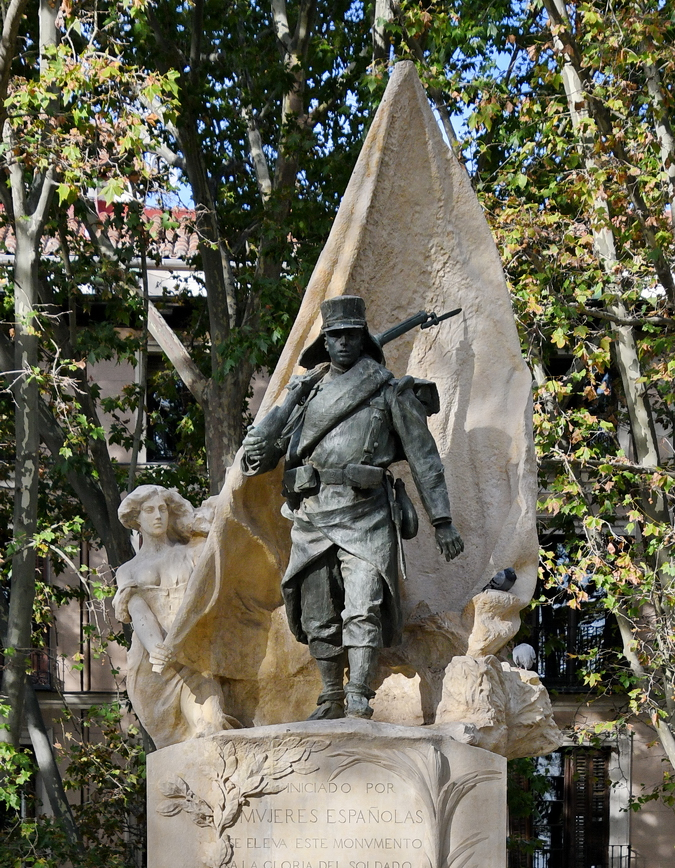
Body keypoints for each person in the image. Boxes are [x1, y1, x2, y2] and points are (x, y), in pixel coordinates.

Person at [242, 295, 464, 719]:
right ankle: (330, 696)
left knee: (362, 606)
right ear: (324, 343)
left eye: (351, 335)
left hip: (367, 514)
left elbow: (424, 457)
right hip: (311, 517)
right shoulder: (305, 397)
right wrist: (287, 400)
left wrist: (442, 521)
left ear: (362, 340)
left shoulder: (388, 390)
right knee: (318, 613)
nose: (343, 343)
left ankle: (360, 693)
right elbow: (255, 460)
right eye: (335, 336)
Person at [113, 485, 239, 748]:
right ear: (137, 519)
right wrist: (157, 649)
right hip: (154, 665)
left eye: (162, 509)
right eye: (149, 510)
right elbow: (136, 609)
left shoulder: (191, 553)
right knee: (172, 745)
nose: (158, 516)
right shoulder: (128, 570)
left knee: (211, 726)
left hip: (195, 656)